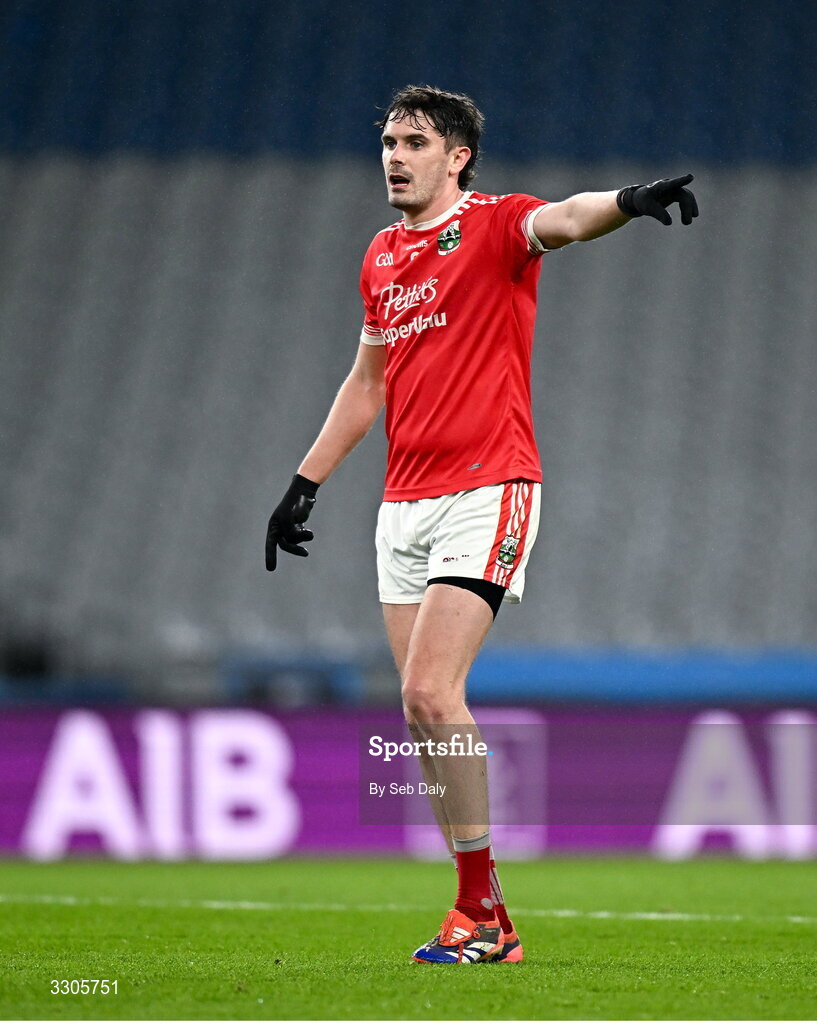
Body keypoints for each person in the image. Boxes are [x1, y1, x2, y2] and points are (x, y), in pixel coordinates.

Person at [265, 84, 698, 964]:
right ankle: (483, 912)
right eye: (387, 140)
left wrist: (626, 201)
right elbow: (367, 384)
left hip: (487, 486)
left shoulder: (497, 225)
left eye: (413, 141)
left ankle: (479, 912)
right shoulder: (382, 254)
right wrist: (304, 484)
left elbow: (569, 220)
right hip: (403, 503)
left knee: (430, 693)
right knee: (420, 714)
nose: (393, 155)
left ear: (456, 155)